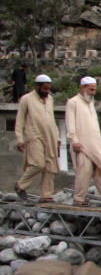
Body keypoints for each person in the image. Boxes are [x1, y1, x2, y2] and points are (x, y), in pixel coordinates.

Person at [65, 76, 101, 207]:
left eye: (94, 90)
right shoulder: (73, 102)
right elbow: (70, 124)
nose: (93, 92)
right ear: (83, 88)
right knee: (84, 170)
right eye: (91, 90)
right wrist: (74, 140)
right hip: (81, 144)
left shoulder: (91, 103)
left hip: (95, 144)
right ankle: (78, 199)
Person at [13, 73, 59, 202]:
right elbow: (20, 120)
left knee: (50, 166)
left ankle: (46, 195)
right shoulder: (26, 99)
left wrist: (57, 137)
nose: (46, 91)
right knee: (38, 164)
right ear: (37, 86)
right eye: (44, 88)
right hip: (34, 135)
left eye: (48, 89)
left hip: (50, 136)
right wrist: (20, 139)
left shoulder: (50, 99)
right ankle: (20, 185)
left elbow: (51, 118)